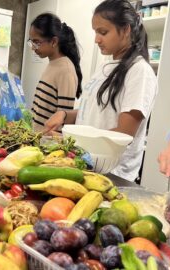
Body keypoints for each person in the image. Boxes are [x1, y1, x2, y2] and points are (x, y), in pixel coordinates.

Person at [44, 0, 158, 182]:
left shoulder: (139, 72)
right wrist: (65, 115)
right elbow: (95, 113)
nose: (97, 39)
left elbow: (123, 133)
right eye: (96, 32)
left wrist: (70, 141)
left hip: (112, 176)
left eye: (103, 32)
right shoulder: (105, 67)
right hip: (88, 166)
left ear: (126, 29)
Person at [28, 13, 82, 132]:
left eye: (36, 42)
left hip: (46, 145)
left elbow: (61, 122)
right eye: (31, 42)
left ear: (53, 41)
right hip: (36, 140)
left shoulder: (66, 70)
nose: (33, 47)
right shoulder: (53, 63)